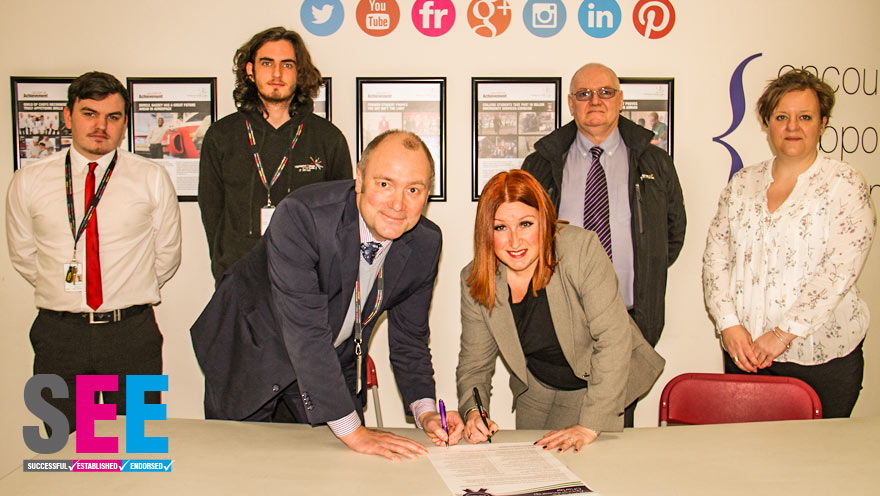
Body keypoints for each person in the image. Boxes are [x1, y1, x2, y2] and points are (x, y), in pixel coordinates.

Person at [192, 130, 464, 460]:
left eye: (413, 189)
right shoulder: (303, 216)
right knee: (241, 464)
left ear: (427, 194)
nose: (398, 203)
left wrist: (425, 411)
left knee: (340, 467)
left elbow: (411, 338)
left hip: (330, 353)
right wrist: (354, 432)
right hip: (250, 345)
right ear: (359, 179)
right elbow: (305, 331)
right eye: (384, 184)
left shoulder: (424, 243)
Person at [6, 71, 182, 434]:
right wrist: (66, 293)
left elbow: (167, 254)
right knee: (66, 452)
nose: (101, 126)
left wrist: (123, 293)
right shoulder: (30, 180)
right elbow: (23, 253)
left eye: (113, 117)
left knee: (138, 447)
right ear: (68, 116)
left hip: (131, 335)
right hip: (61, 337)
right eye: (89, 113)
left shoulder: (150, 178)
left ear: (124, 124)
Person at [703, 69, 875, 418]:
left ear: (823, 123)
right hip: (746, 353)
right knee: (753, 461)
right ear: (767, 123)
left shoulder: (845, 183)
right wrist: (728, 324)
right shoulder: (743, 183)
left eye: (805, 117)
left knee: (816, 463)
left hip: (822, 357)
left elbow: (839, 272)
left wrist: (782, 335)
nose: (792, 127)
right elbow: (716, 257)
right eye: (782, 117)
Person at [521, 63, 685, 426]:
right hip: (558, 322)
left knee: (613, 433)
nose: (595, 101)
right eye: (584, 94)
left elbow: (672, 235)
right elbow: (522, 239)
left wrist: (642, 274)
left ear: (621, 100)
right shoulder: (541, 165)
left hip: (629, 320)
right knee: (555, 434)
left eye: (605, 92)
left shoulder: (655, 162)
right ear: (571, 103)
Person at [457, 170, 664, 451]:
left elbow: (613, 340)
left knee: (595, 472)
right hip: (537, 385)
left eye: (526, 224)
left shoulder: (580, 249)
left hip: (599, 380)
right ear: (486, 232)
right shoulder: (476, 278)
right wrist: (473, 413)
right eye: (500, 228)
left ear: (544, 221)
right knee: (536, 469)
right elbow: (474, 364)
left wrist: (590, 425)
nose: (515, 241)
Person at [198, 26, 352, 283]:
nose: (277, 73)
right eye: (267, 63)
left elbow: (341, 214)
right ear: (250, 70)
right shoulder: (221, 136)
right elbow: (212, 212)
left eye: (287, 65)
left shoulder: (327, 138)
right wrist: (224, 267)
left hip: (307, 282)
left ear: (299, 73)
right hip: (239, 280)